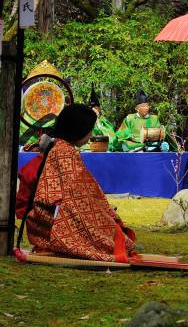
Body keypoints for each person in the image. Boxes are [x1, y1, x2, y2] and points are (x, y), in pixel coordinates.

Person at [16, 105, 137, 262]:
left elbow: (80, 189)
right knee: (110, 238)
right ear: (78, 129)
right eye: (90, 130)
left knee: (105, 223)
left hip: (42, 217)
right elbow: (77, 194)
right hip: (50, 219)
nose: (90, 135)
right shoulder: (65, 152)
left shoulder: (58, 146)